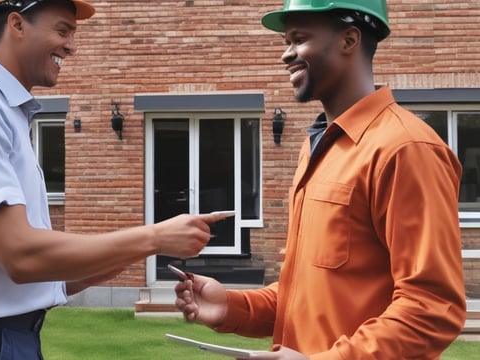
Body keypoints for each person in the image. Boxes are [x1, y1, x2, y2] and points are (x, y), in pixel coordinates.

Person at [0, 1, 229, 359]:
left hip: (2, 340)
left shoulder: (0, 111)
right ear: (17, 24)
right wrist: (155, 237)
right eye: (62, 30)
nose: (72, 45)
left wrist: (108, 261)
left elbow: (15, 275)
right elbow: (21, 257)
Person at [174, 1, 467, 359]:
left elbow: (431, 308)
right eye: (286, 41)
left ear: (349, 40)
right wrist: (232, 307)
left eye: (298, 39)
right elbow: (306, 294)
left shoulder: (405, 149)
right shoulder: (317, 148)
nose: (286, 54)